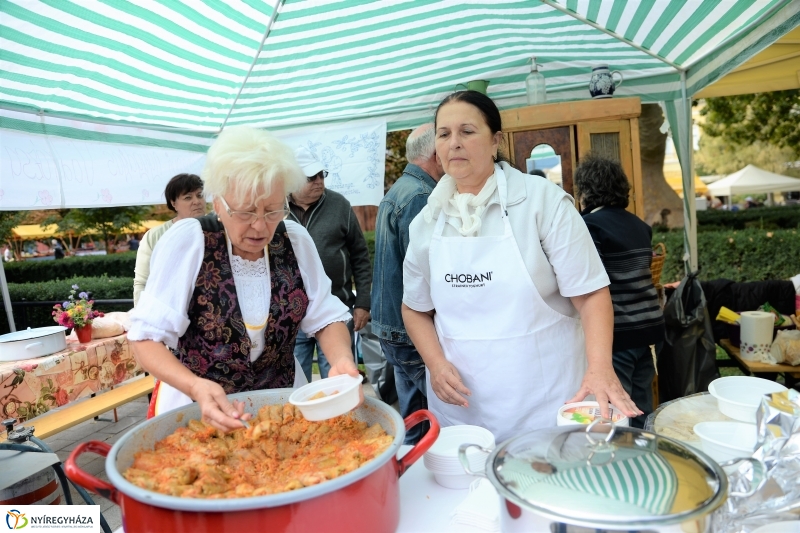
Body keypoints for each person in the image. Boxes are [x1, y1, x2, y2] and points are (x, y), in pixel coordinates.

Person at [401, 90, 640, 442]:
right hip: (463, 410)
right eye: (444, 133)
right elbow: (414, 308)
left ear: (496, 140)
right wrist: (435, 364)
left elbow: (590, 294)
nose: (454, 143)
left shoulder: (542, 202)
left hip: (544, 401)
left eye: (467, 131)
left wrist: (601, 366)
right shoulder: (426, 222)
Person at [128, 126, 359, 431]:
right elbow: (145, 339)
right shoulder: (189, 241)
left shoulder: (294, 240)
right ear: (219, 203)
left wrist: (341, 359)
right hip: (197, 412)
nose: (261, 226)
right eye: (247, 211)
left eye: (273, 210)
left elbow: (325, 317)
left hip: (281, 406)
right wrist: (196, 386)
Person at [574, 154, 665, 428]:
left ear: (586, 191)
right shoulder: (640, 226)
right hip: (649, 330)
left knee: (617, 410)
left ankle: (622, 463)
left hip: (619, 333)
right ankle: (647, 456)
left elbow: (590, 285)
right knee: (641, 408)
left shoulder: (590, 227)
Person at [372, 123, 444, 444]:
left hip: (393, 324)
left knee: (413, 417)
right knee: (433, 416)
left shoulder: (399, 190)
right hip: (409, 326)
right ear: (433, 154)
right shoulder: (422, 196)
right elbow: (429, 270)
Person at [287, 146, 372, 382]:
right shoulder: (276, 210)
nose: (318, 181)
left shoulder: (339, 205)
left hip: (336, 310)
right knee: (295, 386)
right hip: (292, 316)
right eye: (310, 177)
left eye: (321, 174)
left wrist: (363, 301)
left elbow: (360, 255)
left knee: (341, 381)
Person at [132, 173, 206, 306]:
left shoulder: (219, 230)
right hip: (168, 313)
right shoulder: (155, 236)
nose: (197, 201)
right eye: (188, 197)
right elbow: (142, 283)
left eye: (200, 195)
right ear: (174, 203)